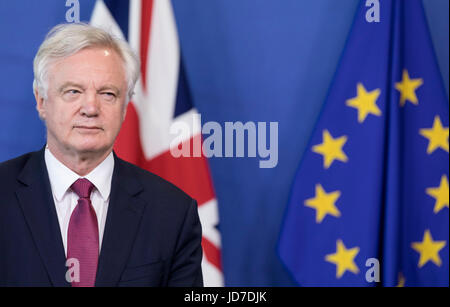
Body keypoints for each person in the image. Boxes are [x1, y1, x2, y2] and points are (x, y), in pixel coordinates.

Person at [0, 23, 203, 287]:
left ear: (125, 107)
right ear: (41, 101)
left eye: (107, 94)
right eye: (73, 91)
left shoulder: (173, 212)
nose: (91, 108)